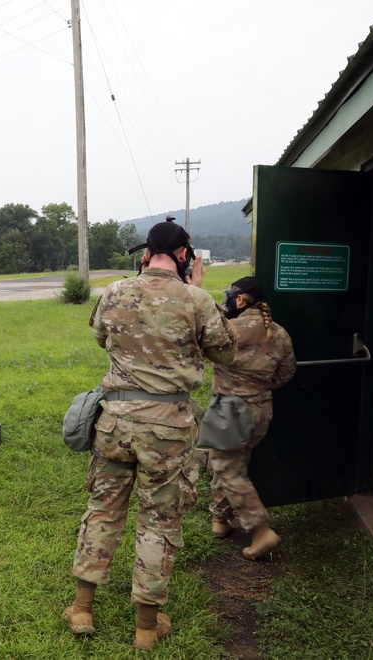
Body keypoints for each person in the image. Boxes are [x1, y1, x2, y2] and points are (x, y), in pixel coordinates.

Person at [63, 219, 238, 650]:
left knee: (102, 509)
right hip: (168, 427)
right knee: (159, 520)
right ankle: (146, 627)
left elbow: (102, 337)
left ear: (146, 253)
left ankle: (82, 609)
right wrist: (199, 291)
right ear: (184, 255)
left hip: (114, 422)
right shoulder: (195, 299)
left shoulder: (115, 291)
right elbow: (226, 351)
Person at [209, 277, 297, 560]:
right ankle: (220, 520)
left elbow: (202, 352)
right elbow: (286, 373)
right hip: (262, 411)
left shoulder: (230, 330)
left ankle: (261, 530)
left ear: (241, 300)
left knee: (227, 467)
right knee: (233, 463)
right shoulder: (279, 333)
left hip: (230, 411)